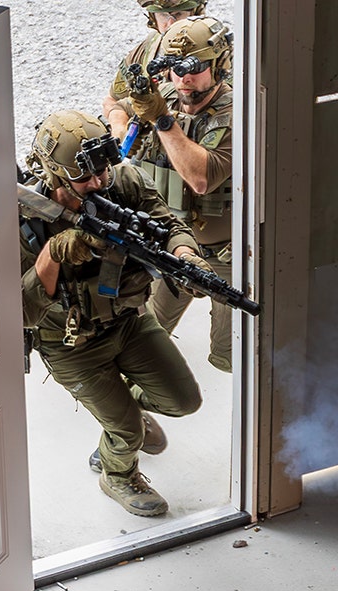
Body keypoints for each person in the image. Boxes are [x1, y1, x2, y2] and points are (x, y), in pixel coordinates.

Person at [19, 110, 213, 517]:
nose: (98, 183)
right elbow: (20, 311)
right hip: (73, 345)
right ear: (54, 175)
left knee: (184, 401)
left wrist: (186, 256)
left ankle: (126, 408)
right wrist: (52, 255)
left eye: (103, 170)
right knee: (125, 429)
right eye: (84, 178)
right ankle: (119, 475)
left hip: (129, 320)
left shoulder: (122, 183)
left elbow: (168, 224)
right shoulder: (24, 221)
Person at [117, 15, 236, 372]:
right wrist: (127, 129)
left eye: (195, 67)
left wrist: (162, 120)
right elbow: (114, 104)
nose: (183, 78)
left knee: (230, 356)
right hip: (172, 247)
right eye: (174, 69)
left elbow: (201, 178)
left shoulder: (237, 113)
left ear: (219, 65)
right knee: (144, 340)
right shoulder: (166, 96)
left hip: (225, 258)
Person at [102, 0, 208, 140]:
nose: (170, 24)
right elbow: (111, 101)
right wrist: (121, 130)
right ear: (153, 18)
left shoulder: (213, 50)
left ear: (195, 13)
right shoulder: (149, 49)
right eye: (163, 16)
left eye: (178, 14)